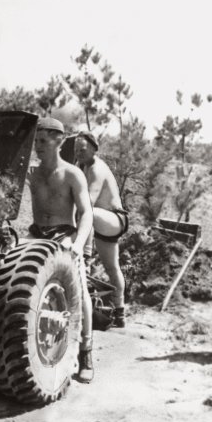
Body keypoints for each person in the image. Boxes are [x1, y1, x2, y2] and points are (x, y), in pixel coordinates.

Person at [28, 117, 95, 383]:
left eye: (43, 141)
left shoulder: (72, 173)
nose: (37, 147)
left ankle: (87, 351)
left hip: (64, 235)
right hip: (35, 234)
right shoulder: (31, 173)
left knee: (81, 290)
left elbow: (87, 213)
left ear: (59, 141)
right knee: (10, 276)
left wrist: (78, 244)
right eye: (35, 141)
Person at [74, 131, 129, 328]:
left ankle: (85, 259)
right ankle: (120, 313)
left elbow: (87, 203)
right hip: (99, 223)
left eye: (83, 149)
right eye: (76, 150)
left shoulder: (96, 169)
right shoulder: (81, 167)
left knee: (87, 213)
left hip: (114, 219)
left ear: (93, 149)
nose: (79, 153)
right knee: (112, 267)